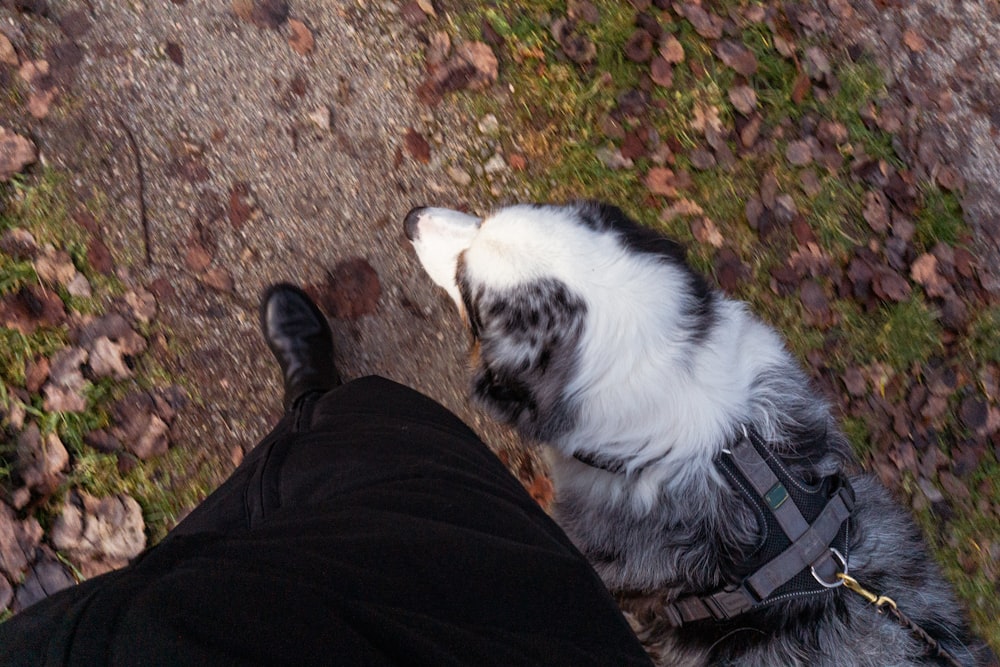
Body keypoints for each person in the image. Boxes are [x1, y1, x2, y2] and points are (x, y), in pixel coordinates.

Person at [0, 284, 652, 666]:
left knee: (244, 522)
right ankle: (315, 403)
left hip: (115, 637)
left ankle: (311, 404)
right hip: (480, 625)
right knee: (383, 455)